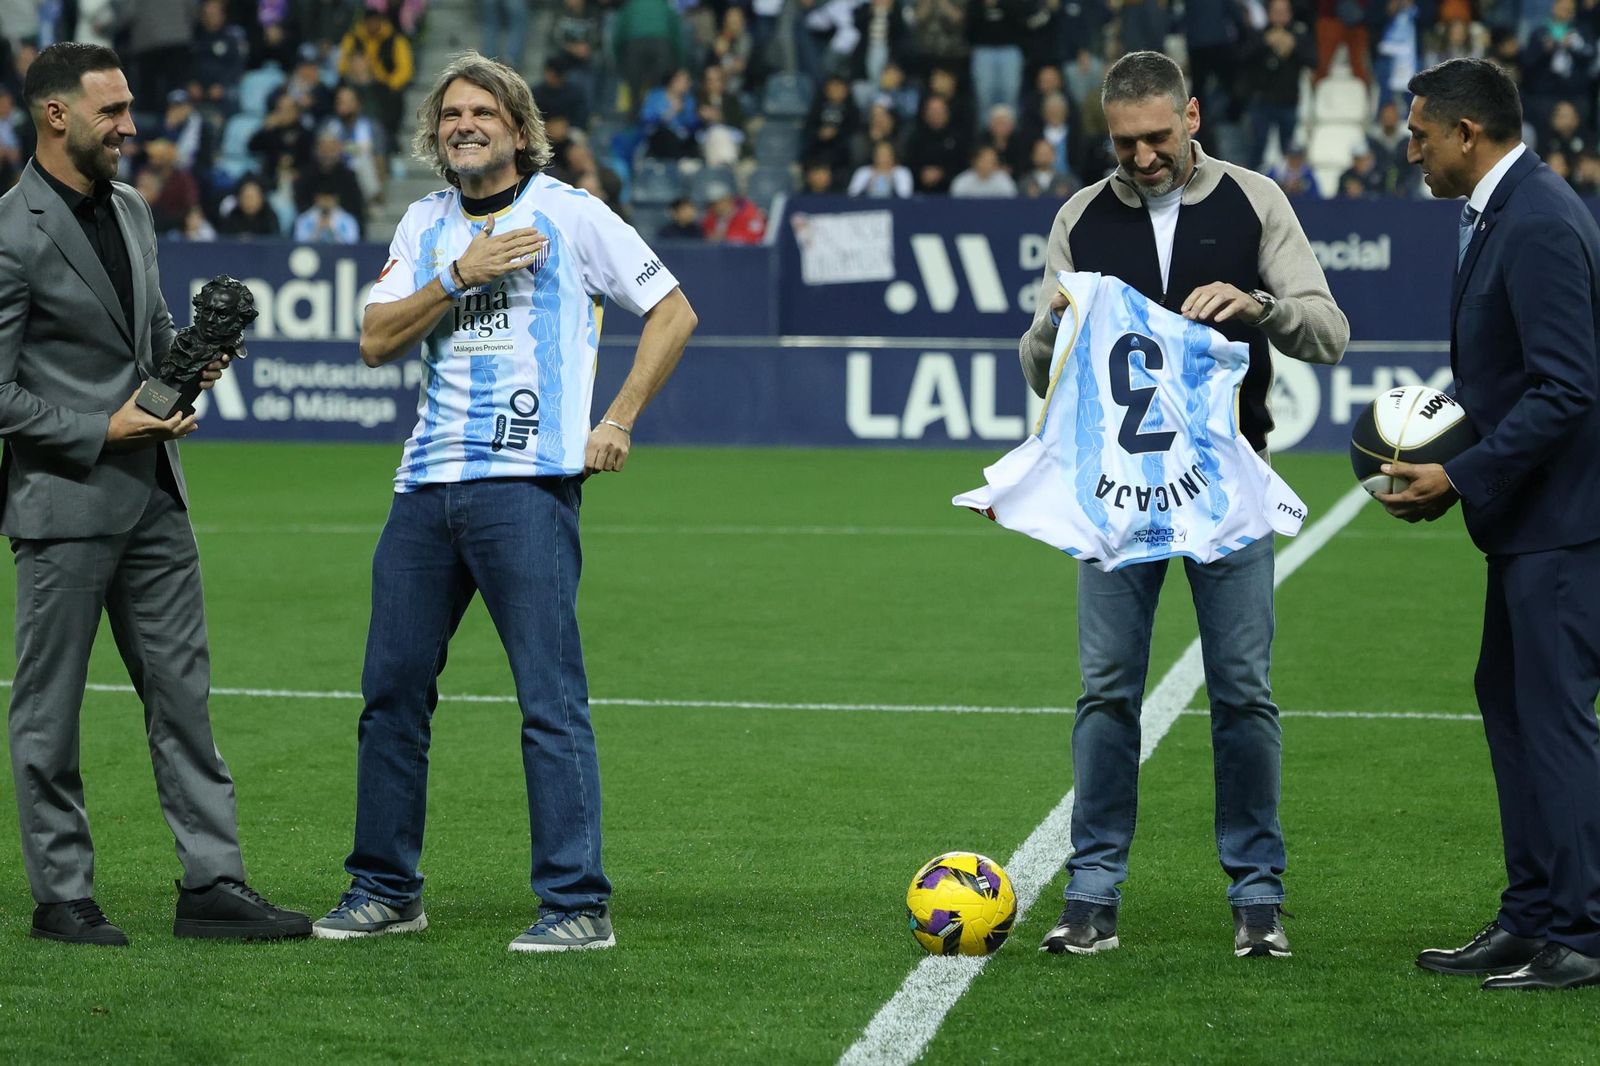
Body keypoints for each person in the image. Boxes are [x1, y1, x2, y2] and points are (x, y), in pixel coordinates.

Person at [311, 51, 697, 951]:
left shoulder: (570, 213)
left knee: (548, 699)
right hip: (424, 488)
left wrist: (619, 418)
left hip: (525, 487)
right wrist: (459, 274)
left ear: (520, 131)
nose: (465, 125)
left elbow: (673, 311)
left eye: (483, 112)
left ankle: (576, 904)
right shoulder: (424, 222)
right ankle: (385, 889)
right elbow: (374, 340)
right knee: (391, 694)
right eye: (451, 114)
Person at [1019, 51, 1347, 959]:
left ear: (1192, 117)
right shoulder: (1081, 217)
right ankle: (1091, 896)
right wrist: (1052, 328)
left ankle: (1257, 897)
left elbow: (1329, 331)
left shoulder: (1254, 201)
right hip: (1116, 496)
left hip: (1228, 487)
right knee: (1106, 693)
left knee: (1243, 693)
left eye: (1158, 137)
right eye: (1124, 142)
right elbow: (1040, 370)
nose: (1143, 156)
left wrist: (1260, 303)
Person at [0, 42, 310, 947]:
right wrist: (104, 429)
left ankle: (212, 882)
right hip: (64, 501)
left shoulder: (134, 207)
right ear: (56, 114)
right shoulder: (11, 231)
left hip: (157, 498)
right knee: (50, 713)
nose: (131, 127)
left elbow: (155, 331)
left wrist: (189, 367)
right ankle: (62, 894)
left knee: (184, 699)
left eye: (129, 108)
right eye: (113, 111)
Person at [1380, 57, 1600, 992]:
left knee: (1551, 719)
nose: (1412, 151)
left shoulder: (1538, 220)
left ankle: (1583, 932)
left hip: (1563, 527)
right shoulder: (1508, 209)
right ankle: (1532, 916)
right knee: (1512, 703)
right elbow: (1513, 376)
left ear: (1467, 135)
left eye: (1421, 134)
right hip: (1533, 523)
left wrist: (1460, 474)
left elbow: (1568, 387)